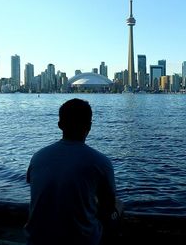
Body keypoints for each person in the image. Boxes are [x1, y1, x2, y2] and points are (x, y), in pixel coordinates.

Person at [25, 98, 122, 245]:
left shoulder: (38, 157)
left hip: (36, 240)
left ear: (60, 125)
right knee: (119, 206)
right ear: (89, 126)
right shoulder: (100, 162)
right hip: (82, 241)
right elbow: (108, 207)